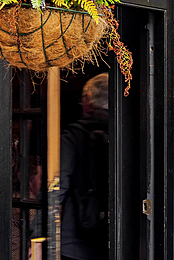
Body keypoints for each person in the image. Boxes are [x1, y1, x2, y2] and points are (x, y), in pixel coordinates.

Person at [61, 73, 110, 260]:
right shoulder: (126, 136)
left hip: (74, 242)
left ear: (88, 99)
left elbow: (56, 187)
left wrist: (38, 236)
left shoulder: (72, 137)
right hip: (116, 238)